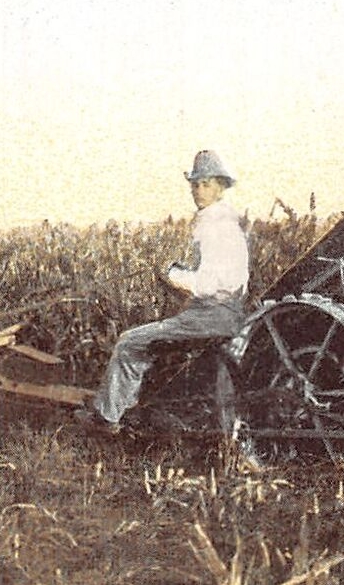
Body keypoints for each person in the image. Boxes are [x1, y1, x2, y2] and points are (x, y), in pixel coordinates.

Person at [77, 150, 250, 432]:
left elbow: (206, 285)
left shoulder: (214, 226)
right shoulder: (228, 223)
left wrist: (171, 274)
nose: (198, 191)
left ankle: (107, 419)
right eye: (195, 184)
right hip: (225, 314)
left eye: (205, 184)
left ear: (220, 187)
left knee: (129, 342)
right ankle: (132, 406)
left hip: (210, 316)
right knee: (154, 340)